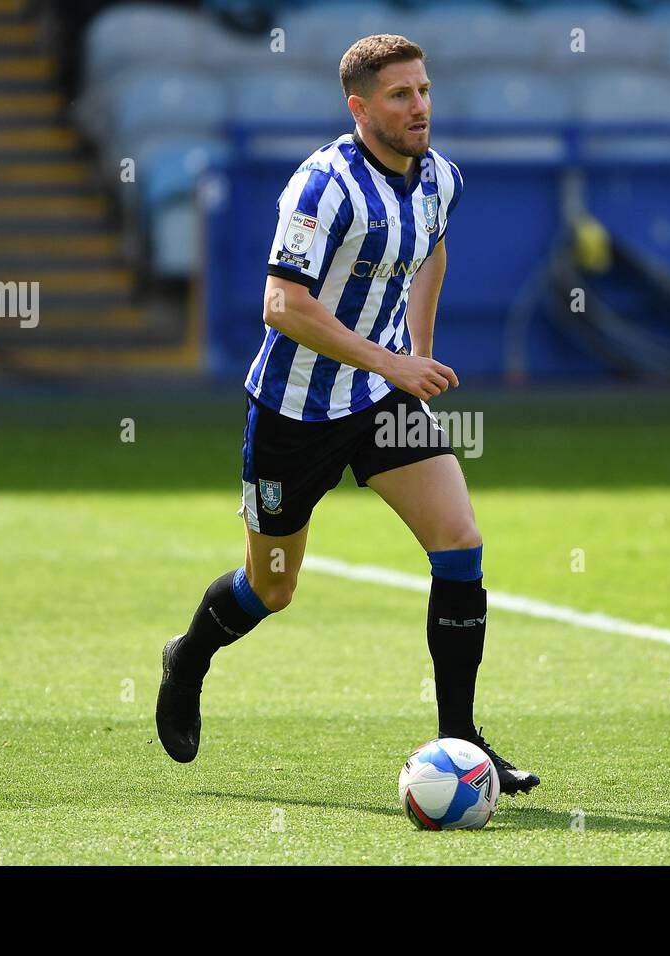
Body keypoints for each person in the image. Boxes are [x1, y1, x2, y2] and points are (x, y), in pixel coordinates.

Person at [156, 34, 539, 795]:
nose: (420, 106)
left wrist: (415, 354)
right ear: (360, 109)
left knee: (459, 542)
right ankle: (188, 656)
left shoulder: (440, 180)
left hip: (378, 401)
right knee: (271, 588)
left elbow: (431, 248)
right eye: (400, 96)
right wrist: (392, 358)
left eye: (424, 90)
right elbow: (281, 305)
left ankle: (461, 741)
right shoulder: (321, 187)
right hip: (294, 413)